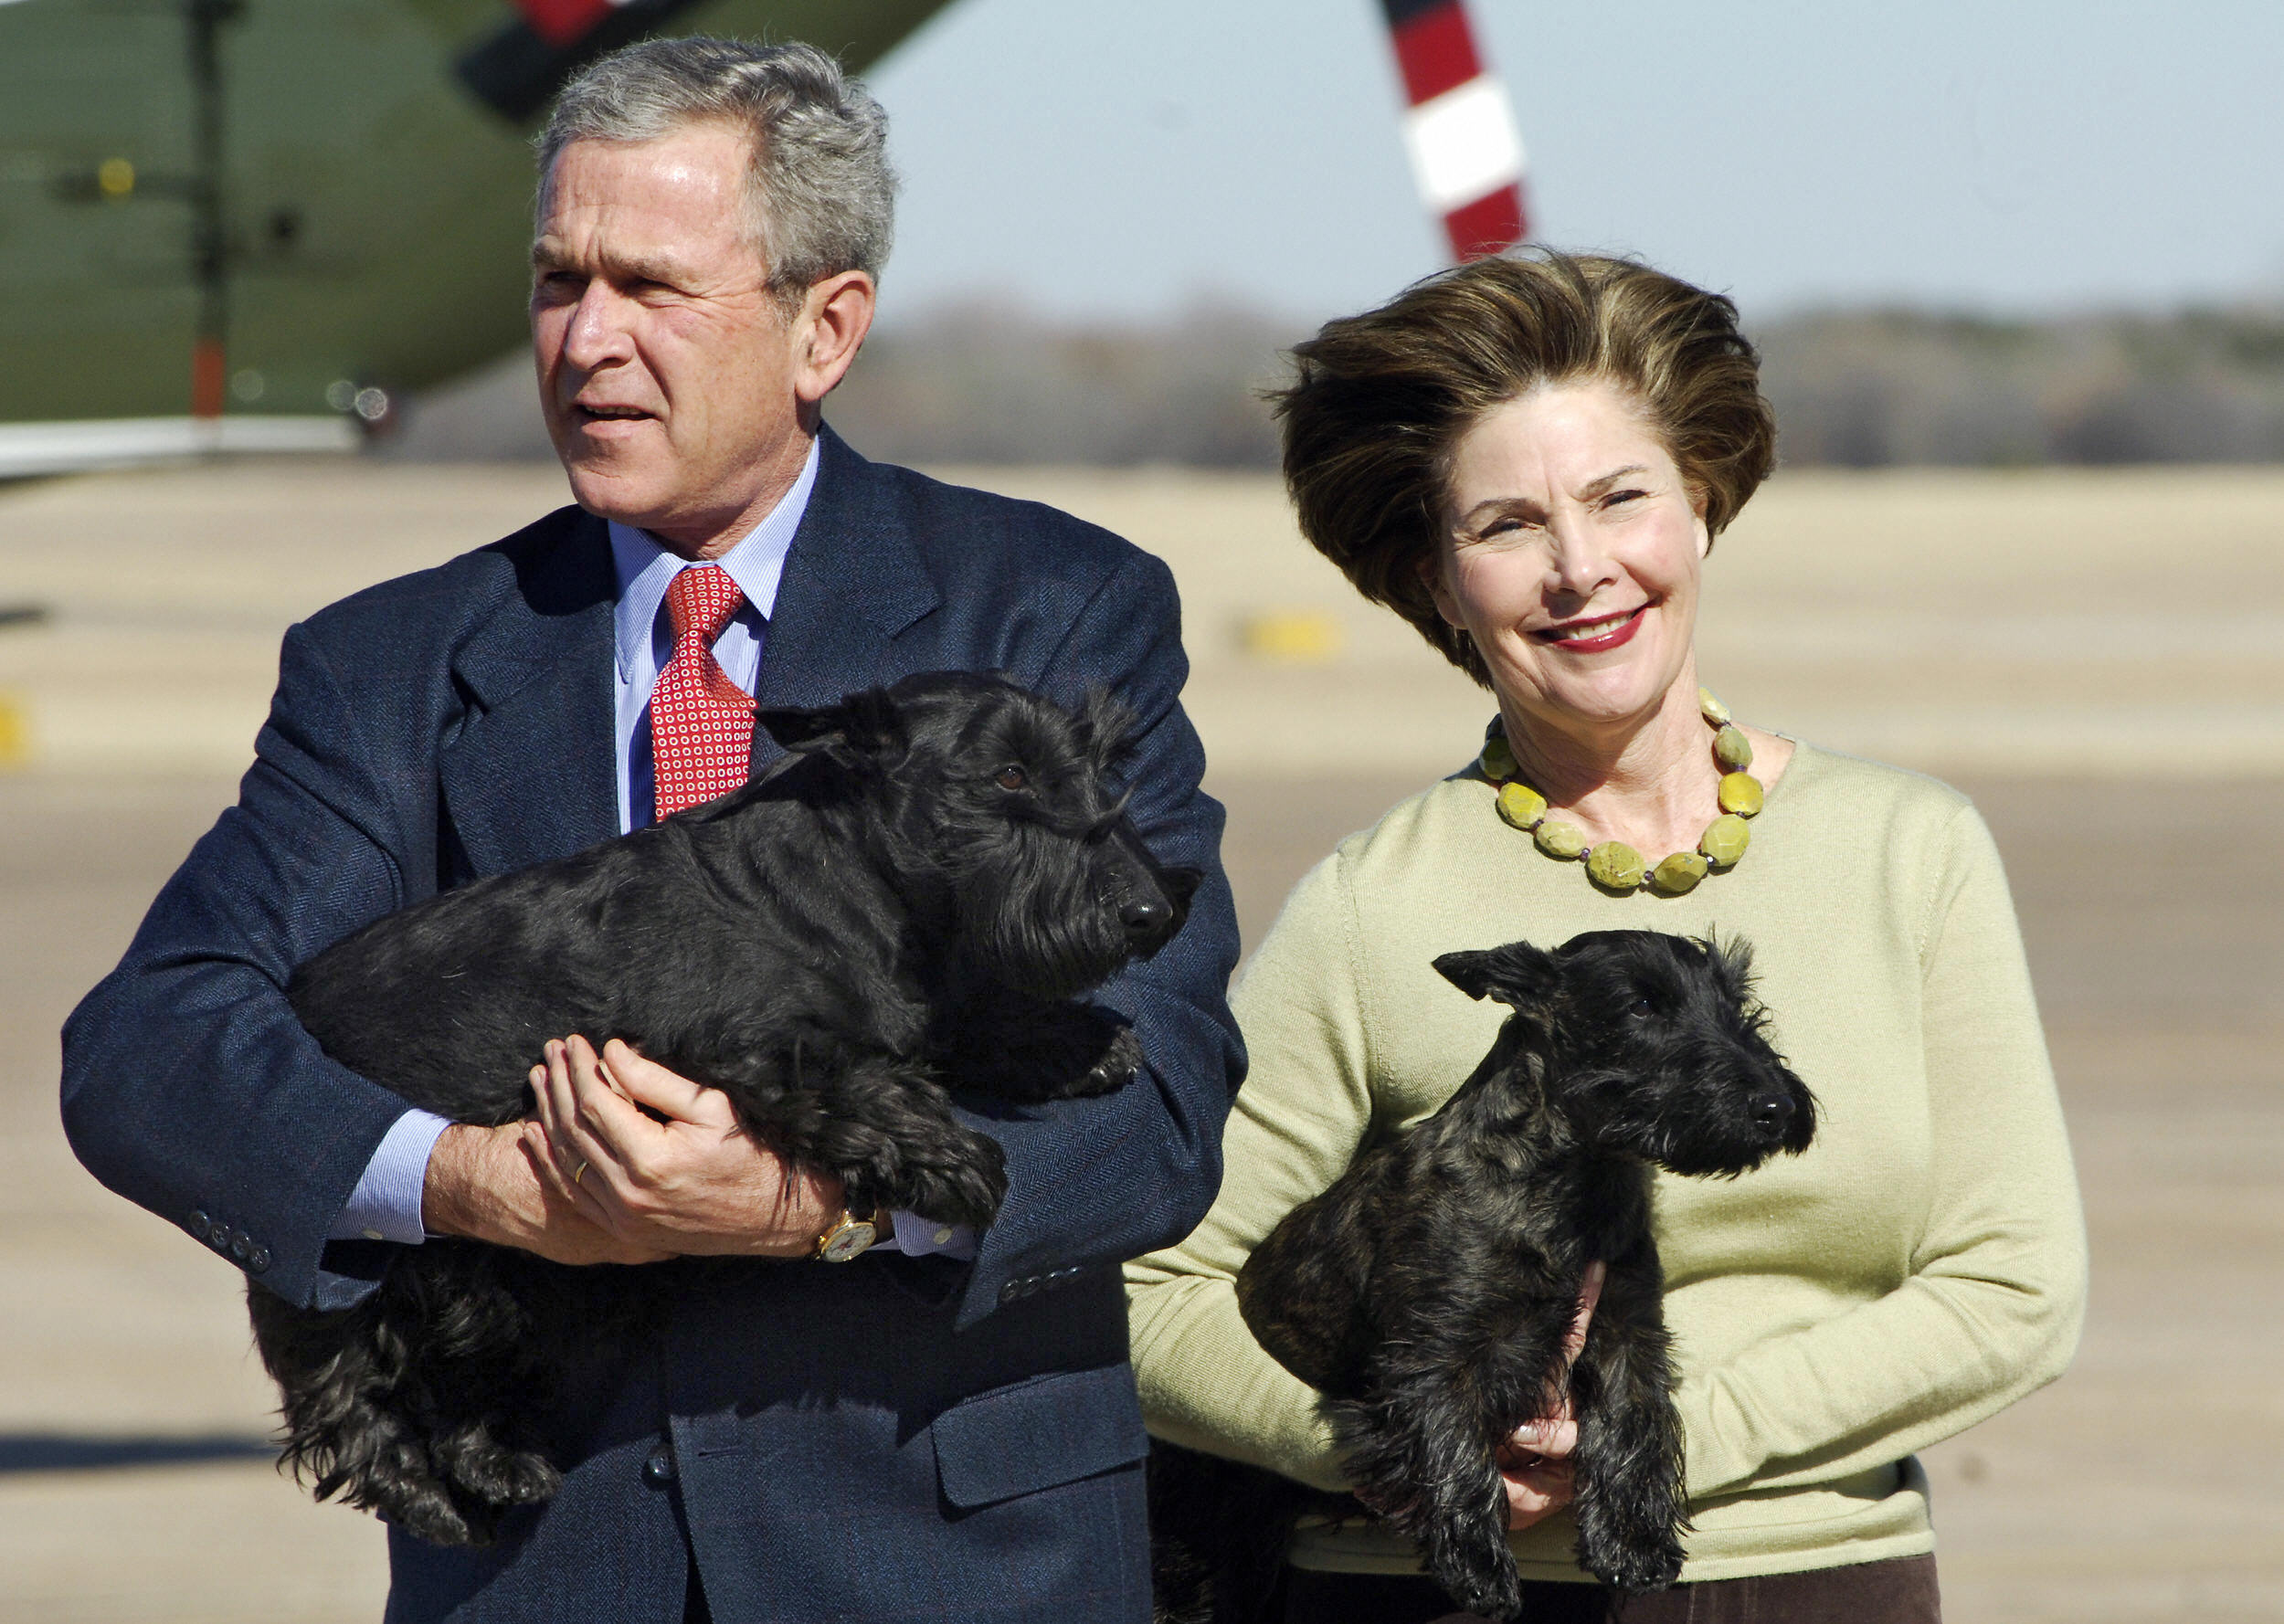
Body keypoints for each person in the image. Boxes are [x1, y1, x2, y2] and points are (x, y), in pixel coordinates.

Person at [61, 37, 1242, 1624]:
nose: (587, 341)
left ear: (825, 326)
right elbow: (150, 1044)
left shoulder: (1055, 612)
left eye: (651, 287)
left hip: (950, 1570)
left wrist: (811, 1202)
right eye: (558, 281)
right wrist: (474, 1180)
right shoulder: (391, 664)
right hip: (545, 1565)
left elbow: (1157, 1104)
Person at [1125, 251, 2086, 1624]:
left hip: (1806, 1579)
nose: (1581, 569)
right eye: (1508, 524)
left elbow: (2015, 1286)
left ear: (1700, 504)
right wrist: (1405, 1454)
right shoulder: (1369, 899)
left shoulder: (1909, 851)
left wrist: (1659, 1445)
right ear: (1434, 578)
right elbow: (1157, 1291)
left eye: (1620, 497)